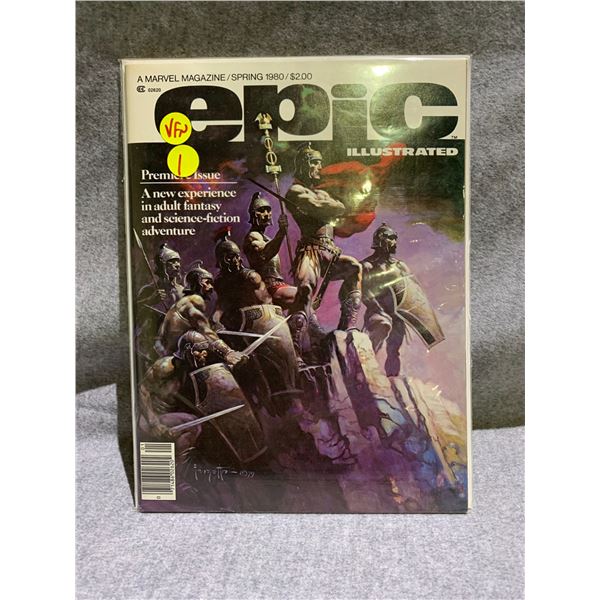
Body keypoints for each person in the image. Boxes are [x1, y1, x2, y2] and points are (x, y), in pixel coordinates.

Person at [283, 143, 362, 352]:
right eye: (316, 163)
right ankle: (296, 350)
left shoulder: (322, 193)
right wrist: (331, 207)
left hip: (330, 252)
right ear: (305, 164)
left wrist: (332, 207)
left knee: (354, 267)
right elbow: (320, 207)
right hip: (310, 251)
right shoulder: (295, 191)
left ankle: (346, 328)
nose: (320, 167)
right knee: (305, 289)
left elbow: (337, 208)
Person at [361, 223, 444, 376]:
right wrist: (378, 309)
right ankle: (366, 375)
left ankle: (393, 380)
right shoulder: (367, 266)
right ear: (381, 240)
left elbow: (415, 292)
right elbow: (365, 292)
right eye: (391, 238)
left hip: (397, 316)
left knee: (394, 350)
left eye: (395, 238)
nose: (395, 242)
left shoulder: (401, 266)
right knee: (374, 344)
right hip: (377, 314)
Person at [155, 261, 246, 368]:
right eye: (207, 282)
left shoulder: (186, 301)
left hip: (173, 350)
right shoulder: (194, 300)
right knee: (198, 338)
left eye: (211, 283)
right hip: (177, 352)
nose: (211, 287)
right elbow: (204, 330)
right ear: (197, 283)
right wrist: (227, 352)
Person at [242, 192, 297, 309]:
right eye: (261, 211)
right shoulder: (253, 236)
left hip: (278, 284)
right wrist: (281, 232)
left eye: (268, 210)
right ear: (254, 214)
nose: (266, 214)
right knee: (302, 295)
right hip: (268, 288)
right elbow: (265, 254)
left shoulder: (266, 238)